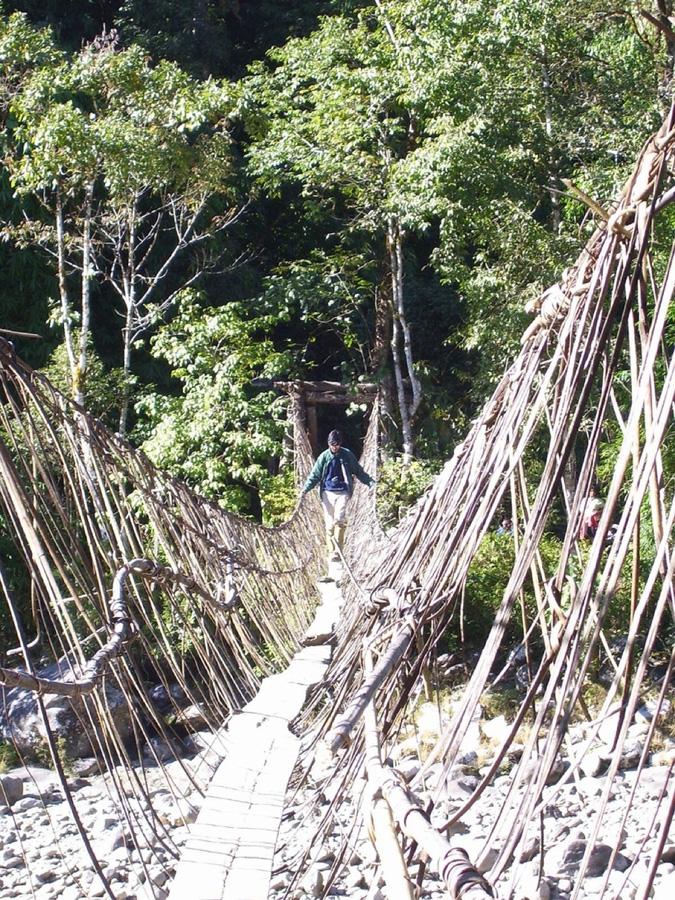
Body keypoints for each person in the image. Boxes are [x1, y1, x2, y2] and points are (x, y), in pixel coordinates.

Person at [300, 429, 376, 560]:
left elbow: (358, 471)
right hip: (327, 492)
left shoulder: (347, 455)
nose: (334, 448)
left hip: (343, 491)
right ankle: (331, 551)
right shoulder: (324, 457)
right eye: (332, 445)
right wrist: (305, 489)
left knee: (339, 519)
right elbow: (315, 475)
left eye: (336, 445)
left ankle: (338, 552)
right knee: (329, 524)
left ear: (340, 444)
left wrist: (371, 483)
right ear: (328, 444)